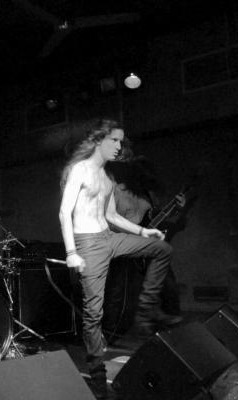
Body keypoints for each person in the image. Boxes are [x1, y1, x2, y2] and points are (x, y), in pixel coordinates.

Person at [59, 119, 182, 399]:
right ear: (98, 140)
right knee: (94, 316)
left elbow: (112, 215)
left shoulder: (107, 177)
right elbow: (65, 212)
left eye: (121, 141)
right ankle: (98, 381)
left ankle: (145, 312)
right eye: (114, 140)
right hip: (88, 244)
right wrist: (71, 252)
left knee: (162, 249)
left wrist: (143, 231)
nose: (119, 146)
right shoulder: (80, 170)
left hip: (109, 237)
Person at [102, 157, 186, 339]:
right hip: (120, 244)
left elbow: (154, 219)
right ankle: (109, 332)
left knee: (165, 278)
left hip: (142, 247)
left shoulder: (148, 195)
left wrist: (178, 209)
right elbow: (108, 220)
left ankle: (158, 318)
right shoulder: (116, 190)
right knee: (118, 292)